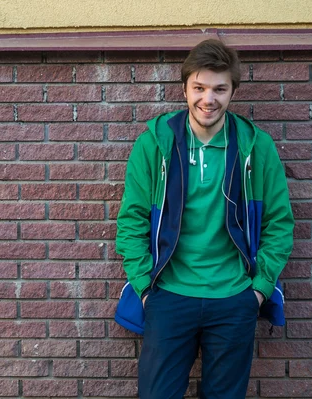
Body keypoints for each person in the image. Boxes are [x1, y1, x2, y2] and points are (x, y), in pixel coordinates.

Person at [114, 39, 295, 399]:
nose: (208, 99)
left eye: (219, 89)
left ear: (233, 91)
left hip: (234, 299)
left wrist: (258, 291)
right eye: (199, 87)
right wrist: (146, 289)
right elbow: (131, 221)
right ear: (184, 88)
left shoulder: (256, 148)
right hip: (168, 296)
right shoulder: (155, 144)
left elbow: (279, 223)